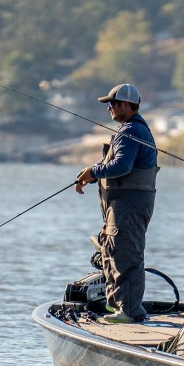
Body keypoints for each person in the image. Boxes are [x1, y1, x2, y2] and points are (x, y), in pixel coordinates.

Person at [75, 83, 158, 324]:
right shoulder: (134, 130)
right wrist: (92, 175)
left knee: (125, 255)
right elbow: (119, 167)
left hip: (128, 205)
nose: (109, 108)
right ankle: (119, 305)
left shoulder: (131, 131)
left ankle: (129, 311)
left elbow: (122, 165)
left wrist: (93, 171)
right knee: (114, 250)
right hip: (126, 203)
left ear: (126, 105)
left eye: (112, 103)